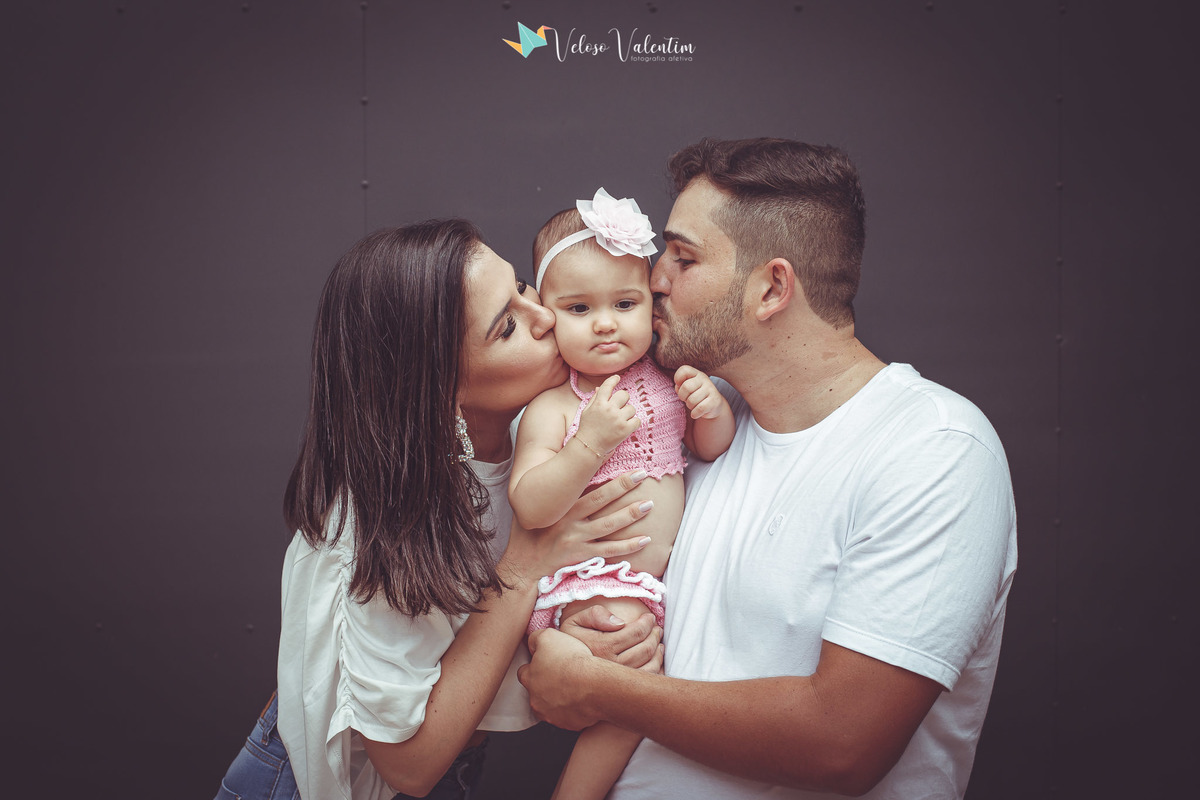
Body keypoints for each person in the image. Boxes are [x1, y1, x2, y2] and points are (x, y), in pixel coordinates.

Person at [518, 138, 1019, 799]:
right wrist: (586, 638)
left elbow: (841, 743)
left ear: (772, 287)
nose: (653, 277)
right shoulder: (699, 420)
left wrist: (601, 685)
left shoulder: (933, 449)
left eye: (683, 257)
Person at [215, 219, 664, 800]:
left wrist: (577, 637)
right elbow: (408, 764)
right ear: (438, 386)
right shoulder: (372, 523)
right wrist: (525, 568)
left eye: (524, 288)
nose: (547, 316)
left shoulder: (555, 435)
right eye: (507, 327)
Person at [508, 190, 735, 799]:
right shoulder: (556, 407)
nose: (606, 323)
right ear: (546, 312)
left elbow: (710, 449)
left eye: (625, 303)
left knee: (631, 698)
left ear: (650, 307)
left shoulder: (667, 380)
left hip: (650, 588)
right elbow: (531, 503)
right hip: (590, 584)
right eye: (579, 308)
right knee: (636, 686)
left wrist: (709, 410)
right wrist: (590, 444)